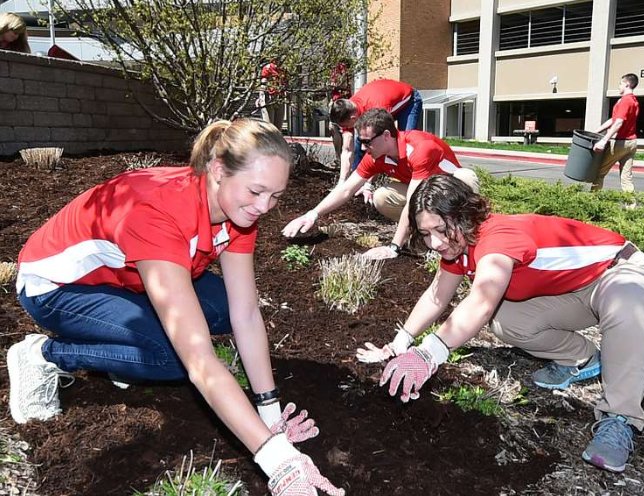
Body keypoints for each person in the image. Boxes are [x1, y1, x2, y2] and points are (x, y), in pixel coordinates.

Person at [8, 119, 344, 496]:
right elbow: (199, 358)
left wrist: (270, 415)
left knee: (219, 307)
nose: (264, 207)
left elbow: (245, 312)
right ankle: (45, 355)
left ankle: (126, 346)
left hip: (125, 280)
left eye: (276, 196)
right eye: (256, 191)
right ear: (218, 170)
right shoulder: (158, 213)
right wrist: (277, 460)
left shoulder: (237, 211)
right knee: (172, 357)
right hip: (57, 290)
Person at [360, 174, 644, 474]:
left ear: (464, 215)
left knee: (626, 301)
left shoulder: (497, 237)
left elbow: (480, 301)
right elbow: (437, 298)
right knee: (507, 321)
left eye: (440, 229)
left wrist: (429, 354)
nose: (435, 242)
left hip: (621, 274)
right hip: (571, 293)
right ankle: (583, 358)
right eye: (426, 234)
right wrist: (399, 344)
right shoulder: (456, 247)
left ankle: (620, 418)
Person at [282, 109, 478, 260]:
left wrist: (393, 247)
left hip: (449, 190)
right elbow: (347, 189)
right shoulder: (376, 156)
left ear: (386, 135)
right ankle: (424, 234)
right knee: (382, 197)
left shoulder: (419, 149)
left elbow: (412, 202)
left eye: (367, 142)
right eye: (361, 142)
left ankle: (466, 238)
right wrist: (312, 214)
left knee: (466, 177)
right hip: (424, 194)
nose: (364, 148)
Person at [329, 78, 423, 186]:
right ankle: (355, 181)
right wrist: (342, 182)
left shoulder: (376, 108)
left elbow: (382, 146)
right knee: (359, 144)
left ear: (353, 118)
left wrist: (368, 184)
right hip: (384, 100)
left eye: (345, 126)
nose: (344, 129)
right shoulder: (348, 109)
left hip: (408, 101)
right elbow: (347, 150)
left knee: (403, 144)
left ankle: (408, 181)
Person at [591, 73, 640, 202]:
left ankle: (591, 202)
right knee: (626, 178)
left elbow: (618, 122)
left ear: (627, 84)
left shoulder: (625, 101)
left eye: (620, 84)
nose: (618, 86)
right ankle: (631, 208)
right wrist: (596, 131)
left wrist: (603, 140)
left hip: (620, 143)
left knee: (599, 173)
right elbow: (614, 119)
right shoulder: (634, 101)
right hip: (631, 143)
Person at [256, 60, 287, 132]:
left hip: (280, 98)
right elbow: (263, 84)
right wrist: (261, 98)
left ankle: (277, 141)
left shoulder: (283, 70)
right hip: (269, 97)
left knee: (278, 128)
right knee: (269, 126)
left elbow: (285, 84)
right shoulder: (267, 68)